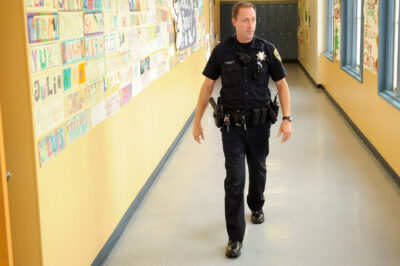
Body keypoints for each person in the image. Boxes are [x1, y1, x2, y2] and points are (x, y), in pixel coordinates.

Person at [192, 1, 292, 259]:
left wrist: (287, 118)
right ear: (234, 22)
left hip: (259, 126)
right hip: (232, 128)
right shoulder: (222, 52)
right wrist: (197, 120)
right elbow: (207, 87)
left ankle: (256, 205)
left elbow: (282, 85)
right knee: (235, 179)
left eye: (253, 19)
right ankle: (235, 237)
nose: (250, 25)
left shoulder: (268, 50)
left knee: (258, 171)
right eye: (245, 20)